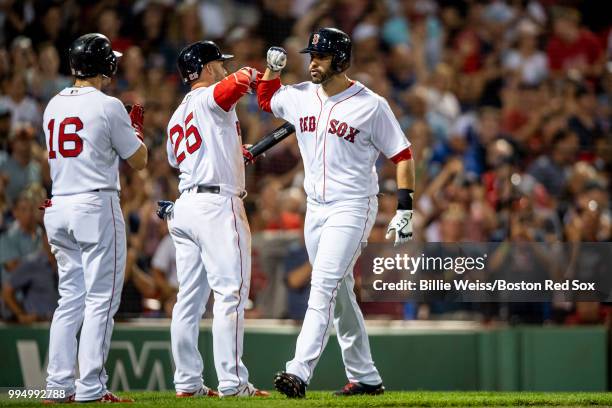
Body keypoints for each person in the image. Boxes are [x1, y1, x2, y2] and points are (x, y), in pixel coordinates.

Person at [256, 28, 416, 397]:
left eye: (320, 57)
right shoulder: (300, 96)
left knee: (323, 285)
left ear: (341, 61)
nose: (313, 62)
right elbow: (267, 100)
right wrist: (271, 70)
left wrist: (404, 208)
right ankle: (366, 377)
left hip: (353, 206)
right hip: (315, 208)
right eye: (311, 56)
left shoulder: (371, 104)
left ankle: (298, 371)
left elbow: (403, 155)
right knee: (340, 293)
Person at [41, 33, 147, 403]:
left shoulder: (52, 104)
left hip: (58, 206)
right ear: (106, 65)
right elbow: (139, 160)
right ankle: (91, 387)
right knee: (101, 299)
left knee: (70, 298)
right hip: (95, 204)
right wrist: (135, 132)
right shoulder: (108, 105)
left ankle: (57, 386)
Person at [161, 40, 268, 398]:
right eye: (218, 63)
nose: (223, 67)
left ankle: (187, 383)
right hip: (217, 207)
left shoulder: (178, 113)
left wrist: (232, 154)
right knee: (230, 295)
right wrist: (258, 74)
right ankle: (232, 383)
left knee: (188, 300)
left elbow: (179, 160)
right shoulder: (210, 96)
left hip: (187, 206)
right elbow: (237, 82)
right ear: (207, 69)